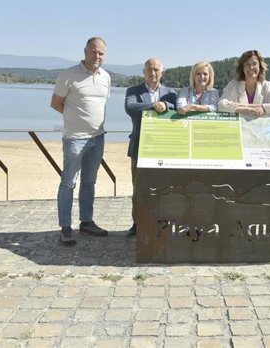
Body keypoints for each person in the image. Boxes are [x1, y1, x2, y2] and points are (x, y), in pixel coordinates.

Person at [50, 37, 111, 246]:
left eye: (101, 53)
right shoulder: (68, 75)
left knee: (89, 183)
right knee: (68, 183)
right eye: (94, 52)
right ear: (85, 51)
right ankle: (65, 228)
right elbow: (56, 103)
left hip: (98, 137)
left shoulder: (106, 77)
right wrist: (74, 120)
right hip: (75, 139)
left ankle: (86, 222)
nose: (97, 57)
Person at [124, 58, 177, 237]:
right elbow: (130, 107)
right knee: (139, 188)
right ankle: (137, 224)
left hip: (164, 148)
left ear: (162, 72)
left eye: (156, 70)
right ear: (144, 72)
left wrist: (167, 105)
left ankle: (162, 222)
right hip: (140, 147)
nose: (153, 73)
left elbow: (177, 108)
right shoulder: (133, 91)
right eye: (149, 70)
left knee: (165, 188)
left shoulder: (170, 93)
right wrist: (154, 106)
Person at [217, 49, 270, 116]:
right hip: (239, 125)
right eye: (247, 64)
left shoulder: (267, 86)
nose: (251, 67)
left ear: (260, 66)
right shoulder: (233, 85)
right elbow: (221, 105)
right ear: (242, 68)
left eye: (254, 63)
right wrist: (249, 109)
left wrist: (240, 106)